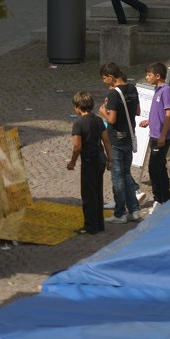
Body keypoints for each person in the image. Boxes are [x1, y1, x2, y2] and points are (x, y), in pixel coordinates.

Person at [98, 62, 141, 224]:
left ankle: (120, 213)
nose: (103, 81)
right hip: (129, 136)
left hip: (116, 138)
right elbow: (137, 111)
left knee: (117, 177)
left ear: (111, 77)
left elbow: (112, 119)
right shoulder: (132, 88)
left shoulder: (114, 95)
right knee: (126, 173)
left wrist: (103, 112)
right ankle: (134, 210)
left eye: (104, 78)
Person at [67, 91, 112, 236]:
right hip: (100, 159)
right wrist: (110, 159)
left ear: (78, 107)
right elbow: (106, 140)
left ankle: (90, 226)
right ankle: (99, 223)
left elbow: (77, 147)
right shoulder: (98, 120)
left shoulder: (78, 123)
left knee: (88, 195)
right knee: (97, 191)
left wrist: (72, 162)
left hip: (89, 161)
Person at [138, 62, 170, 212]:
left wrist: (163, 136)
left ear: (158, 76)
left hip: (161, 137)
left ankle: (158, 199)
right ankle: (165, 198)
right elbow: (158, 112)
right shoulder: (157, 90)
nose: (147, 77)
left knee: (154, 168)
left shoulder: (166, 91)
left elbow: (169, 114)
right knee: (160, 167)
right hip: (155, 134)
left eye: (149, 75)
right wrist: (149, 121)